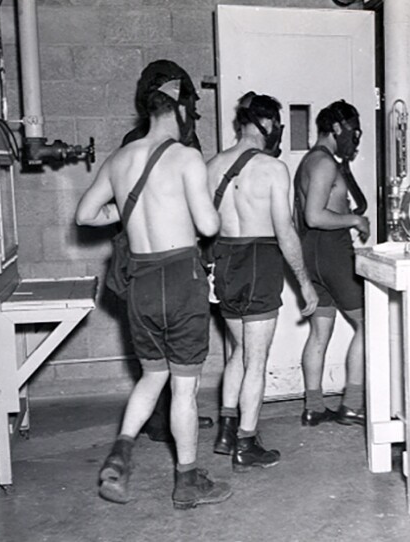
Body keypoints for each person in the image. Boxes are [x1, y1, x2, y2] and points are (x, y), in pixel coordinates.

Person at [76, 64, 230, 509]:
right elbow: (207, 224)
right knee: (183, 388)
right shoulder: (185, 157)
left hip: (139, 281)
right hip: (180, 277)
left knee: (151, 376)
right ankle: (186, 482)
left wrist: (124, 215)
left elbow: (86, 215)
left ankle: (121, 454)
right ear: (181, 106)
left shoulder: (120, 159)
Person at [206, 92, 319, 471]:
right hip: (259, 260)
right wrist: (303, 281)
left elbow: (202, 225)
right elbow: (285, 232)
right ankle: (245, 443)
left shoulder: (212, 166)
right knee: (257, 359)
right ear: (268, 124)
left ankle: (226, 427)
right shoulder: (272, 169)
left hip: (224, 258)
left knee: (238, 350)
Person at [118, 61, 213, 444]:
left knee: (153, 369)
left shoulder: (129, 145)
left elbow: (109, 208)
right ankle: (181, 451)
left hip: (141, 269)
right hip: (178, 267)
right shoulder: (184, 148)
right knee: (183, 374)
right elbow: (203, 219)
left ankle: (135, 438)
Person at [293, 100, 368, 427]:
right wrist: (355, 219)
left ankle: (313, 407)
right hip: (332, 252)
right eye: (352, 130)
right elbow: (314, 215)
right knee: (370, 324)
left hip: (312, 253)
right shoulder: (323, 163)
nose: (354, 138)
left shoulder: (310, 162)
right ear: (337, 128)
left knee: (319, 333)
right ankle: (351, 405)